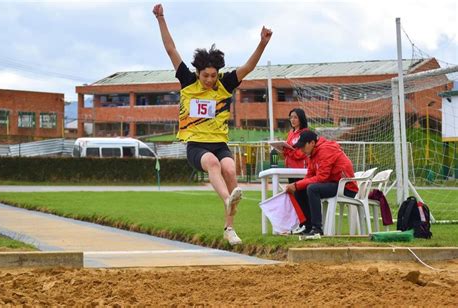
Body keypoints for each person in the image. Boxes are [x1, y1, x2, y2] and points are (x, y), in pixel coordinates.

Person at [153, 4, 273, 245]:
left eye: (213, 76)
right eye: (205, 75)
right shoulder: (187, 81)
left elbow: (248, 68)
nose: (209, 80)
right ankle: (229, 199)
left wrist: (262, 43)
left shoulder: (225, 85)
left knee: (229, 168)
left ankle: (229, 228)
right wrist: (161, 18)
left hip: (219, 143)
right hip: (196, 146)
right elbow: (170, 49)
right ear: (198, 73)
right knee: (212, 163)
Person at [285, 130, 358, 236]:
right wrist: (297, 186)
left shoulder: (325, 150)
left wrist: (296, 185)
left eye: (302, 146)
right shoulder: (312, 154)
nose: (301, 150)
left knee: (312, 189)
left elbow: (322, 178)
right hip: (334, 183)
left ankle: (317, 228)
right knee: (300, 190)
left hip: (346, 187)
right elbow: (309, 176)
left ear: (312, 143)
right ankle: (307, 226)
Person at [283, 108, 309, 234]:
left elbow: (301, 153)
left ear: (301, 119)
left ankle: (306, 223)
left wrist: (290, 152)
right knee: (293, 197)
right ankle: (298, 223)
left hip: (300, 170)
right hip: (290, 170)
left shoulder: (304, 133)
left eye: (295, 117)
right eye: (291, 117)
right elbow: (290, 151)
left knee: (301, 197)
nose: (292, 120)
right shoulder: (290, 133)